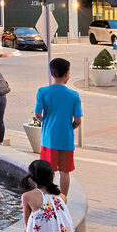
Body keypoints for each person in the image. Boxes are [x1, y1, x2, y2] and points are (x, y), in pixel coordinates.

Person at [34, 58, 82, 198]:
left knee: (48, 171)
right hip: (66, 139)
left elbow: (37, 114)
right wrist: (68, 128)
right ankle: (63, 200)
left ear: (51, 73)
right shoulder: (74, 95)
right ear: (67, 74)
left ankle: (48, 198)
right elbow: (78, 120)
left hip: (49, 138)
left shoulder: (42, 92)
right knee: (65, 172)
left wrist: (47, 122)